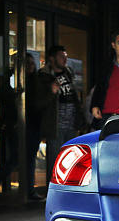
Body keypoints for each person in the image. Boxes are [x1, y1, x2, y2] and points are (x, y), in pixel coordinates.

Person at [35, 45, 85, 185]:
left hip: (71, 125)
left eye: (66, 56)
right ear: (52, 59)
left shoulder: (69, 73)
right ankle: (53, 191)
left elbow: (75, 98)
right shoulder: (44, 76)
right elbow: (39, 103)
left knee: (72, 160)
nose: (65, 59)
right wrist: (51, 91)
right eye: (61, 56)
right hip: (55, 125)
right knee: (55, 160)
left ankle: (69, 189)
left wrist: (80, 120)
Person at [25, 53, 44, 200]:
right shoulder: (17, 81)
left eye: (32, 63)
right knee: (16, 159)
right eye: (27, 63)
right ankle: (29, 190)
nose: (31, 66)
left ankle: (29, 190)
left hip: (33, 124)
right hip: (22, 124)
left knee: (30, 158)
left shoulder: (35, 81)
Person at [0, 70, 17, 191]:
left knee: (11, 157)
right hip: (11, 126)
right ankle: (2, 180)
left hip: (8, 126)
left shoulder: (5, 90)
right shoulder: (7, 91)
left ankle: (3, 182)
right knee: (14, 158)